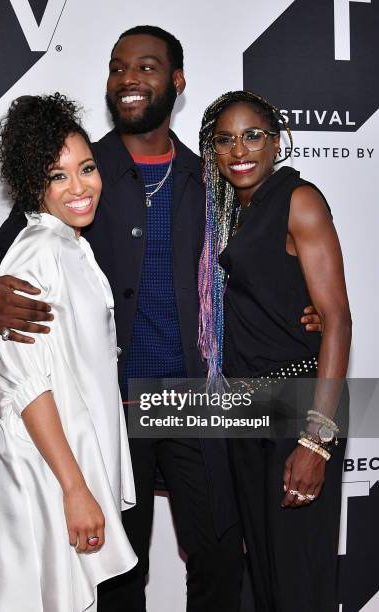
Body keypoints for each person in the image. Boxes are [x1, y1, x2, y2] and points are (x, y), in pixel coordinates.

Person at [0, 27, 321, 611]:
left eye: (147, 67)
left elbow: (262, 260)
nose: (129, 78)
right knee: (118, 572)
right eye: (117, 67)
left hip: (195, 403)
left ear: (176, 83)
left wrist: (301, 311)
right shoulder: (76, 171)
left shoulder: (212, 179)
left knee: (219, 556)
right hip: (109, 407)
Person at [0, 93, 136, 612]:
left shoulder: (71, 245)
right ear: (32, 185)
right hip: (43, 472)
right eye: (58, 176)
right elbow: (25, 384)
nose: (79, 187)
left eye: (86, 168)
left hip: (61, 466)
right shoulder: (37, 250)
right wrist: (75, 488)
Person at [198, 90, 352, 612]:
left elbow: (336, 319)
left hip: (299, 406)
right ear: (213, 152)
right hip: (249, 409)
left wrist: (316, 440)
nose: (239, 149)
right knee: (266, 580)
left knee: (298, 584)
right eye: (225, 139)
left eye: (253, 135)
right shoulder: (231, 214)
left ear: (277, 141)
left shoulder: (298, 199)